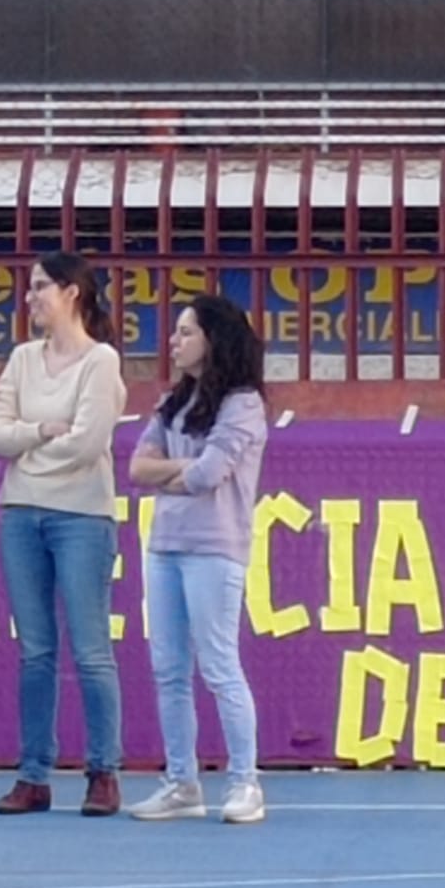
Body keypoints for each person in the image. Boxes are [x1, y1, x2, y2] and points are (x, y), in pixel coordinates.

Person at [0, 254, 127, 816]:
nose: (31, 297)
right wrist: (41, 431)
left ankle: (103, 770)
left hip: (82, 516)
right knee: (35, 651)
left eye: (42, 286)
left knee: (91, 649)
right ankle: (33, 774)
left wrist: (29, 447)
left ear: (72, 293)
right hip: (21, 513)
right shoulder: (22, 359)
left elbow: (89, 442)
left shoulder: (101, 360)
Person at [128, 294, 268, 824]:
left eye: (186, 332)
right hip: (165, 543)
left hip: (215, 546)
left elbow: (211, 474)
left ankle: (245, 781)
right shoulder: (174, 401)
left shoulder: (242, 403)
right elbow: (137, 467)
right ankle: (181, 781)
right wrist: (179, 471)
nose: (174, 341)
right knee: (168, 668)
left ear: (214, 340)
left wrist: (169, 471)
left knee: (218, 663)